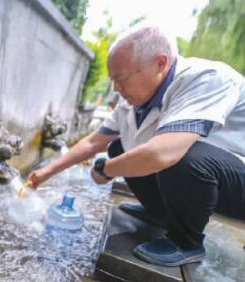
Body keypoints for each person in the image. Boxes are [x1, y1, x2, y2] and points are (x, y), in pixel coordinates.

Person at [27, 26, 245, 267]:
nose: (117, 89)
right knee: (120, 148)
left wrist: (107, 170)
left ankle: (186, 242)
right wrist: (45, 173)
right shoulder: (132, 102)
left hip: (237, 183)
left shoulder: (207, 78)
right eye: (113, 82)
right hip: (205, 178)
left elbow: (163, 153)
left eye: (121, 79)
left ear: (160, 63)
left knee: (182, 155)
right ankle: (159, 214)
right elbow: (92, 142)